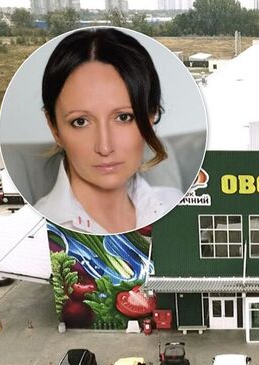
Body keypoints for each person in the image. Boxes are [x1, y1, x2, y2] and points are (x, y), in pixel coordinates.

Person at [34, 28, 182, 234]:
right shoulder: (36, 227)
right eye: (80, 122)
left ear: (151, 116)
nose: (104, 147)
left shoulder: (175, 202)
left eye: (123, 117)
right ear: (54, 127)